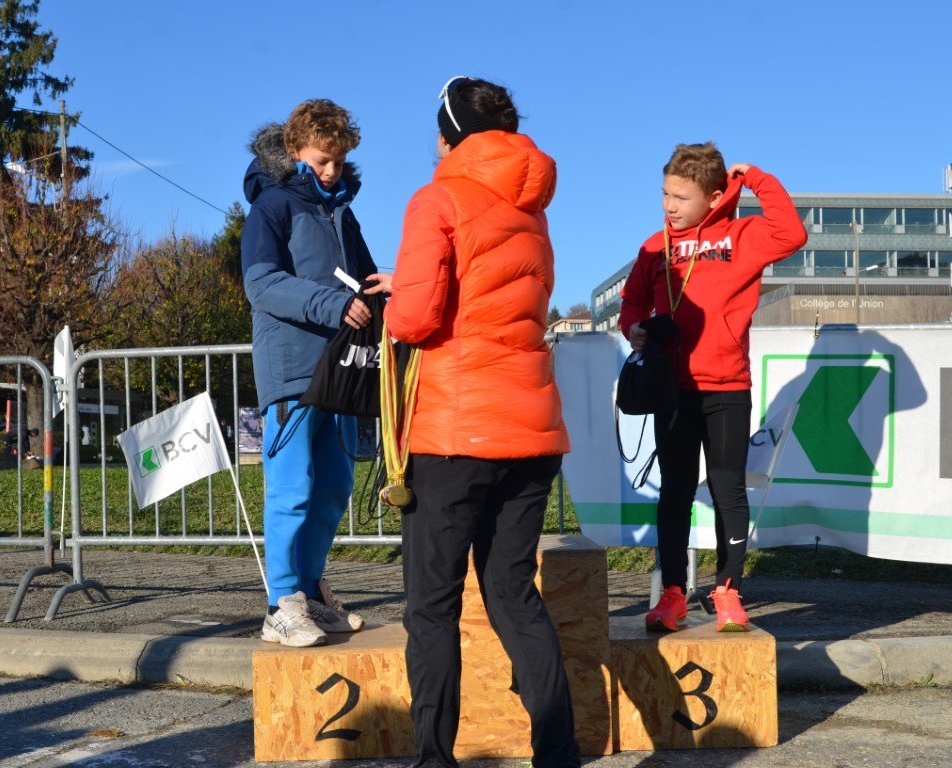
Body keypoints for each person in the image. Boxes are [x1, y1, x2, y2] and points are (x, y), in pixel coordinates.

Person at [383, 76, 580, 768]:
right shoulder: (532, 210)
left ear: (448, 138)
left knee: (431, 608)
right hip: (531, 429)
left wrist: (393, 300)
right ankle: (558, 753)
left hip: (455, 430)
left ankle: (435, 759)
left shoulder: (436, 199)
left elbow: (415, 319)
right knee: (513, 595)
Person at [618, 142, 808, 632]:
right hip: (671, 390)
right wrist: (633, 327)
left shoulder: (743, 236)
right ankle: (673, 594)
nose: (669, 205)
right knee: (675, 493)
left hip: (727, 388)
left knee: (728, 491)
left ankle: (728, 592)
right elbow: (632, 301)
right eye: (665, 194)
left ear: (715, 197)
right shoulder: (653, 246)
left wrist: (757, 177)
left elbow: (793, 232)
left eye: (681, 198)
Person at [240, 98, 390, 648]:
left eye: (339, 161)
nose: (331, 171)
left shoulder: (342, 211)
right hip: (291, 371)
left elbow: (366, 282)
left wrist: (385, 301)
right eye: (322, 160)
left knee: (332, 487)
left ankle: (308, 591)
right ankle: (280, 604)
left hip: (340, 371)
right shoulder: (272, 205)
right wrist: (334, 306)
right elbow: (261, 284)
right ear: (294, 149)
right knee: (291, 490)